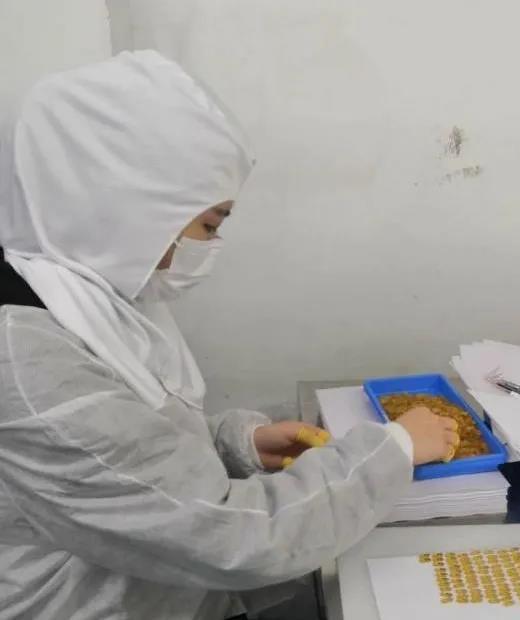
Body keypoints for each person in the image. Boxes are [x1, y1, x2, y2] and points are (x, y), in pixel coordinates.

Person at [0, 51, 459, 620]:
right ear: (130, 206)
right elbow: (230, 538)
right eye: (209, 223)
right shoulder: (26, 366)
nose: (209, 246)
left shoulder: (82, 296)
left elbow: (129, 455)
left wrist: (235, 445)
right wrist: (393, 451)